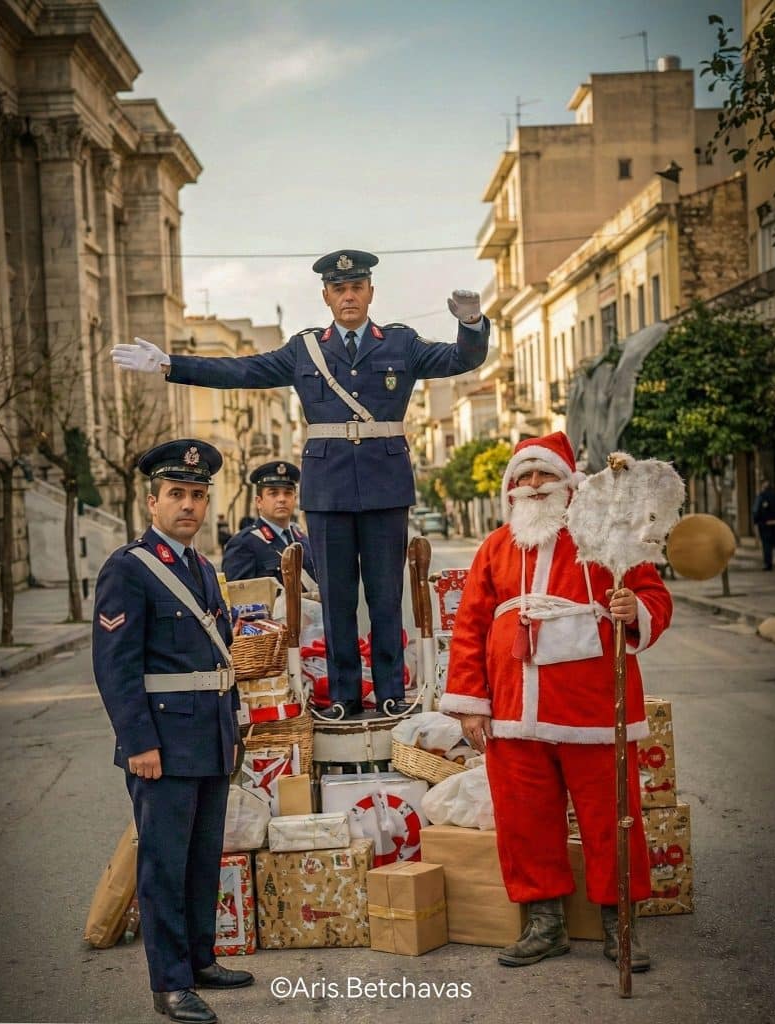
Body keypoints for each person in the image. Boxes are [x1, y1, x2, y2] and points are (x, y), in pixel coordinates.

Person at [111, 249, 489, 720]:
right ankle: (345, 696)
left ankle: (390, 692)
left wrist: (471, 323)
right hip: (328, 489)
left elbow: (458, 358)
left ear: (370, 292)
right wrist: (172, 365)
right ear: (326, 296)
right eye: (339, 289)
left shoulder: (400, 343)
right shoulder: (305, 349)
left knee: (385, 595)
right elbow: (243, 370)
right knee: (336, 598)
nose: (348, 296)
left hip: (385, 486)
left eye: (356, 287)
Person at [439, 432, 673, 973]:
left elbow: (654, 595)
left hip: (594, 712)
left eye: (544, 474)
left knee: (611, 818)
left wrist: (634, 608)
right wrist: (472, 703)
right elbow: (470, 627)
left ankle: (619, 924)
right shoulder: (495, 547)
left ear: (569, 483)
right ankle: (545, 925)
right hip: (513, 712)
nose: (534, 484)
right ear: (510, 488)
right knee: (524, 821)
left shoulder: (606, 538)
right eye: (523, 476)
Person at [92, 439, 254, 1024]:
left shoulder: (201, 568)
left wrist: (232, 728)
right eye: (177, 494)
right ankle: (170, 983)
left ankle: (200, 959)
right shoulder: (129, 568)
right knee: (163, 865)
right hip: (161, 742)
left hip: (208, 737)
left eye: (197, 495)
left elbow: (218, 659)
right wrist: (139, 743)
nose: (188, 505)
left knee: (203, 857)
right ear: (152, 502)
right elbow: (115, 667)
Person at [222, 460, 317, 591]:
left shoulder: (304, 540)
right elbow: (238, 597)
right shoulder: (244, 544)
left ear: (295, 499)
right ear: (259, 502)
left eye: (288, 493)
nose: (282, 499)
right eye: (273, 493)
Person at [752, 479, 775, 571]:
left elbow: (756, 511)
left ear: (763, 488)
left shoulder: (761, 497)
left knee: (767, 545)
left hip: (765, 525)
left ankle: (768, 564)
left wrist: (756, 522)